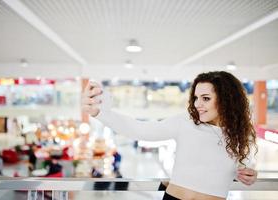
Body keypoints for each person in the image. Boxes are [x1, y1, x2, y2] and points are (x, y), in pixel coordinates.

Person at [82, 71, 258, 200]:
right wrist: (100, 113)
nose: (198, 104)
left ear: (226, 99)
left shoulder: (242, 136)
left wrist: (249, 175)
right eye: (196, 98)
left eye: (205, 98)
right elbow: (139, 129)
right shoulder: (186, 122)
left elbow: (242, 169)